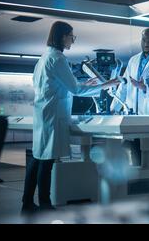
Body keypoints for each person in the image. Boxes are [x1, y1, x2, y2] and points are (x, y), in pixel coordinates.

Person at [22, 21, 119, 214]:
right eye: (71, 37)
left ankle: (27, 202)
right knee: (46, 161)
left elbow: (58, 83)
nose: (72, 41)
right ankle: (45, 204)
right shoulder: (58, 59)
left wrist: (84, 82)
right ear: (62, 36)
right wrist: (104, 85)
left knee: (37, 158)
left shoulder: (43, 58)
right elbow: (75, 89)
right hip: (53, 114)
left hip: (43, 113)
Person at [110, 27, 149, 168]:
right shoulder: (133, 60)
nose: (146, 43)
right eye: (144, 39)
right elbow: (124, 86)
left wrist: (144, 88)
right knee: (136, 159)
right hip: (134, 119)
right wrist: (114, 108)